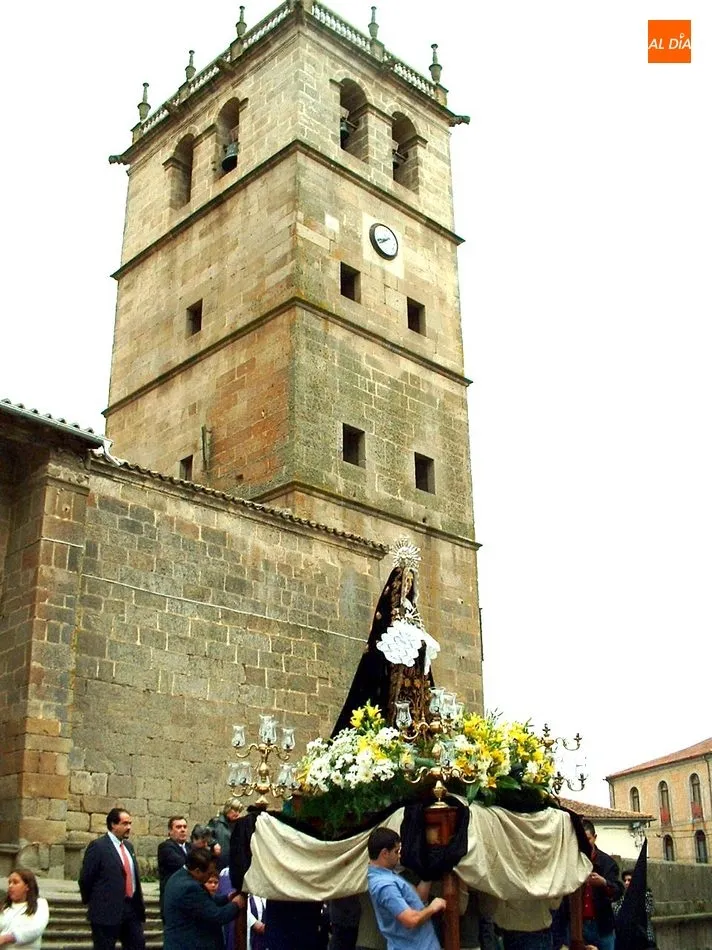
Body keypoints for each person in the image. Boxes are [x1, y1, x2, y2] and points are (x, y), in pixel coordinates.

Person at [332, 539, 440, 735]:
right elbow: (382, 636)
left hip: (413, 675)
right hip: (393, 672)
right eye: (405, 581)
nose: (407, 586)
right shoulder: (390, 608)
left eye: (411, 582)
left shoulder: (412, 611)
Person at [366, 827, 445, 950]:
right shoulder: (385, 886)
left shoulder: (387, 876)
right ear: (385, 853)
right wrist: (433, 907)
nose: (399, 856)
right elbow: (410, 920)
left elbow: (416, 899)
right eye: (396, 851)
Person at [78, 807, 146, 950]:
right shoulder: (99, 847)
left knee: (137, 944)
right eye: (125, 823)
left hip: (131, 910)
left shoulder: (129, 847)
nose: (129, 827)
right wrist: (95, 902)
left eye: (130, 823)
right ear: (113, 824)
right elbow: (86, 878)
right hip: (106, 912)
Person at [162, 848, 243, 950]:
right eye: (209, 874)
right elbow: (217, 916)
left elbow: (203, 902)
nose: (209, 876)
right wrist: (236, 904)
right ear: (197, 871)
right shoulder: (190, 887)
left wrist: (227, 898)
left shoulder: (177, 876)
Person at [580, 820, 623, 950]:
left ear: (595, 838)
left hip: (602, 925)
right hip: (578, 925)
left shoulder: (607, 862)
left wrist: (604, 883)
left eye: (588, 839)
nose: (585, 843)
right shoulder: (572, 861)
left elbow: (617, 891)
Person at [0, 869, 50, 949]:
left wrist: (7, 938)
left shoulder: (40, 903)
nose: (10, 886)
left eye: (15, 882)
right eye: (9, 883)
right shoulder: (5, 907)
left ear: (27, 886)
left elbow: (36, 929)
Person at [157, 816, 189, 919]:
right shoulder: (165, 847)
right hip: (172, 899)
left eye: (184, 827)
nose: (183, 830)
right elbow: (182, 864)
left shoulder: (190, 847)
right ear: (170, 831)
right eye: (178, 827)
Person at [207, 800, 242, 870]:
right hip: (218, 864)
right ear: (228, 809)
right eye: (235, 810)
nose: (237, 813)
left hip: (234, 864)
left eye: (239, 811)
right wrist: (214, 843)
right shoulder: (216, 822)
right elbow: (206, 834)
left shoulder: (239, 824)